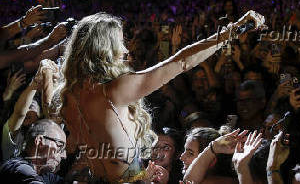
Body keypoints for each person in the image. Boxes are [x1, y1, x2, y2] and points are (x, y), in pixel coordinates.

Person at [60, 11, 266, 182]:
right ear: (105, 48)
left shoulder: (69, 95)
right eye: (120, 42)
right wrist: (232, 31)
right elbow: (181, 62)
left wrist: (139, 175)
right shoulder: (114, 90)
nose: (124, 49)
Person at [0, 119, 66, 183]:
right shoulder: (18, 168)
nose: (64, 156)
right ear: (39, 141)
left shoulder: (43, 175)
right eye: (60, 145)